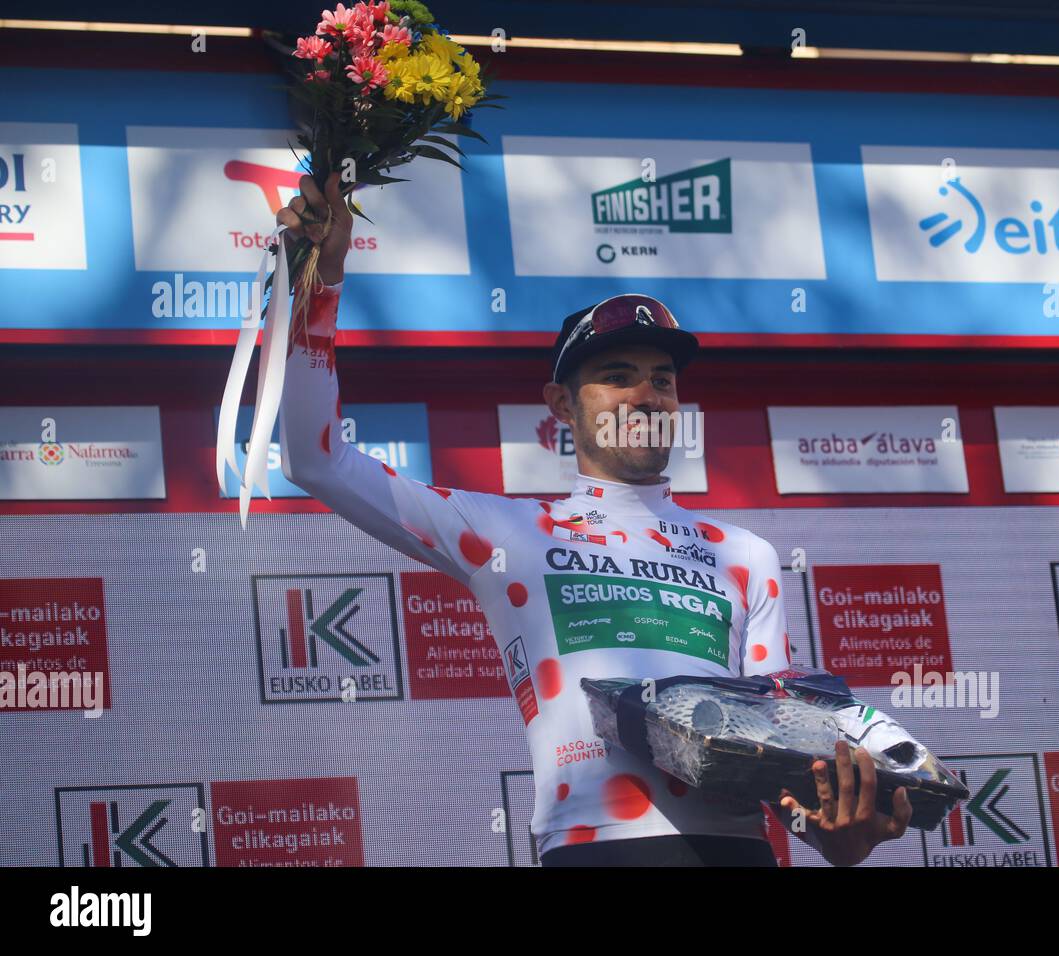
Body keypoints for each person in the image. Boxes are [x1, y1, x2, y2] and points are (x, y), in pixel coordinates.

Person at [274, 172, 912, 866]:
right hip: (594, 847)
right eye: (617, 374)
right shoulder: (508, 534)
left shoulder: (745, 554)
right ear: (561, 404)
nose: (645, 394)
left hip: (735, 850)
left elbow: (771, 742)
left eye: (662, 379)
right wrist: (322, 280)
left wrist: (833, 838)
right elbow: (317, 459)